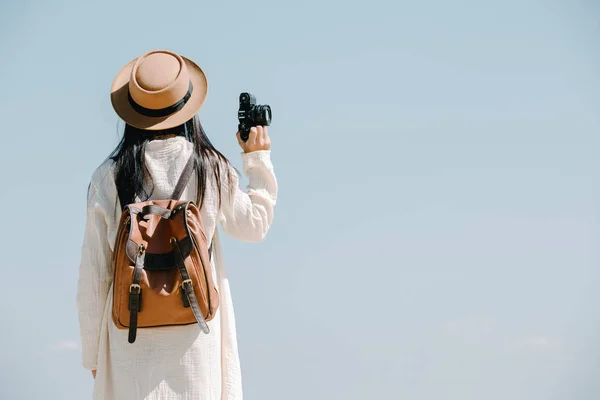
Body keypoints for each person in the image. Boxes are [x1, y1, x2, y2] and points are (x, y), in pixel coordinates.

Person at [76, 49, 278, 399]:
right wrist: (256, 158)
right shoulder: (211, 168)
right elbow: (255, 225)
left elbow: (93, 277)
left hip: (129, 343)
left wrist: (95, 355)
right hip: (197, 345)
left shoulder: (109, 177)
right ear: (188, 108)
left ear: (132, 111)